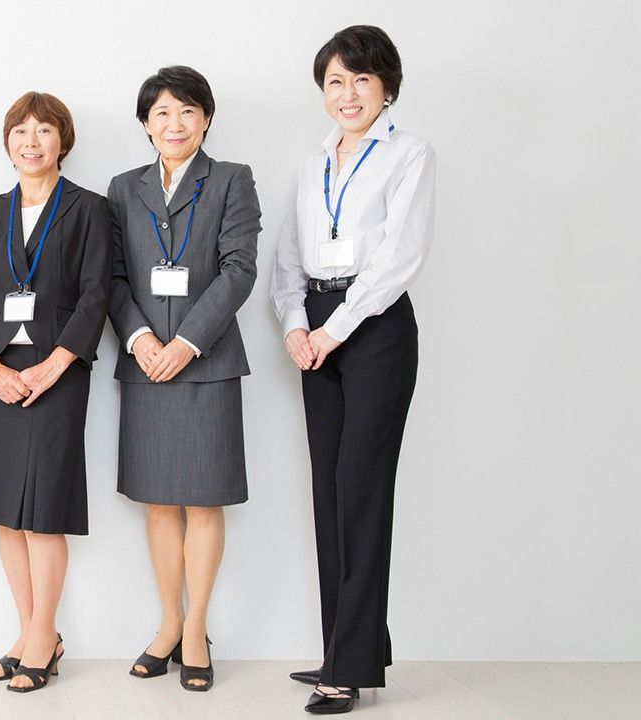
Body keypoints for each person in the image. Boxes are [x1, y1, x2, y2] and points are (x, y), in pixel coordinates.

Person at [271, 25, 436, 715]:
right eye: (335, 81)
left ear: (386, 86)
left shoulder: (409, 154)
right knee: (329, 494)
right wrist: (294, 324)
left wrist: (332, 330)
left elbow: (399, 259)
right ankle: (344, 649)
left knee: (361, 492)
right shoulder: (314, 164)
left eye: (361, 79)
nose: (347, 93)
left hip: (373, 330)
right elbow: (289, 257)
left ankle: (351, 665)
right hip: (316, 328)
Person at [0, 91, 110, 694]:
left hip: (58, 373)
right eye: (20, 130)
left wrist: (57, 363)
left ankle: (44, 635)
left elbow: (96, 294)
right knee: (6, 512)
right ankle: (28, 631)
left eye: (44, 130)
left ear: (62, 140)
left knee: (43, 512)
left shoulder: (89, 210)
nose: (31, 141)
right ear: (7, 142)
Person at [106, 66, 261, 692]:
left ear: (206, 119)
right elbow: (112, 277)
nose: (175, 124)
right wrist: (142, 339)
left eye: (188, 111)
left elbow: (239, 269)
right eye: (162, 113)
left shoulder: (231, 179)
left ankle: (196, 628)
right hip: (145, 365)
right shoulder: (124, 188)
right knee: (157, 501)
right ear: (146, 124)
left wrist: (188, 342)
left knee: (203, 499)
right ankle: (169, 621)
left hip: (208, 363)